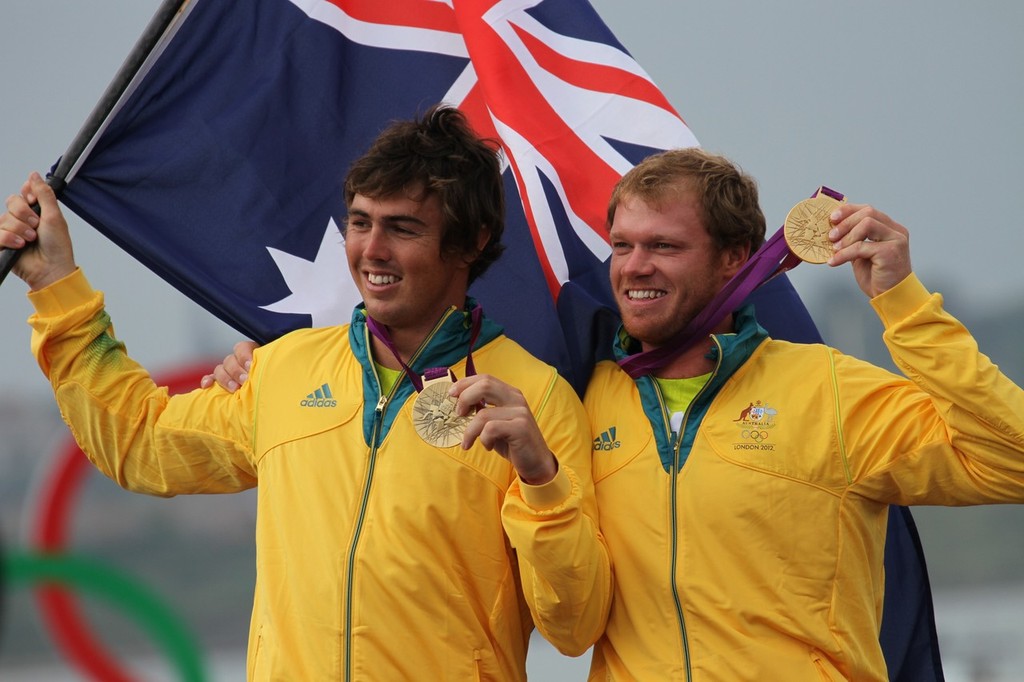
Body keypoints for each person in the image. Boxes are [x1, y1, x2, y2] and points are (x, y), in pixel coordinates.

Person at [202, 146, 1024, 681]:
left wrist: (905, 306)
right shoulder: (583, 403)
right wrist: (261, 367)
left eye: (664, 247)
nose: (633, 268)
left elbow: (1011, 461)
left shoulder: (833, 393)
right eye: (622, 246)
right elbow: (566, 617)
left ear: (736, 261)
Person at [0, 105, 610, 680]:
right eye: (360, 222)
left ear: (472, 241)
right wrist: (57, 285)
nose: (371, 251)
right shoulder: (285, 370)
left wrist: (540, 479)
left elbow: (574, 624)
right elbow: (138, 442)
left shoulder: (536, 400)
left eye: (402, 229)